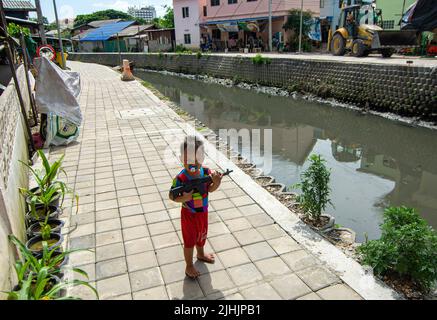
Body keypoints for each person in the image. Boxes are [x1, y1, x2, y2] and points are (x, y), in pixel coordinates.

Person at [169, 136, 223, 279]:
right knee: (189, 240)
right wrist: (185, 198)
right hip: (189, 214)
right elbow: (171, 195)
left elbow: (210, 189)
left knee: (201, 235)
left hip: (202, 213)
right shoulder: (181, 178)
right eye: (188, 159)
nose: (193, 163)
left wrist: (217, 182)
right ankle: (189, 265)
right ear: (181, 158)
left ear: (203, 157)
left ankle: (200, 254)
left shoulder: (206, 173)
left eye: (197, 158)